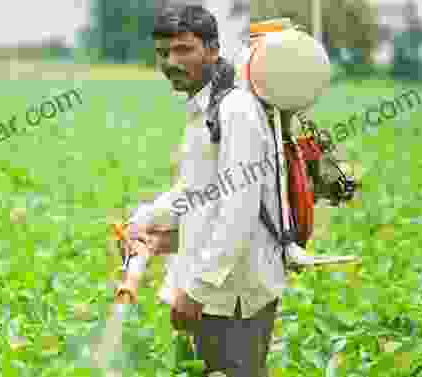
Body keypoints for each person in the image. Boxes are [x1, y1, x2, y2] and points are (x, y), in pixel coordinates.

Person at [123, 5, 287, 376]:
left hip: (235, 295)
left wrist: (197, 289)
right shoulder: (205, 108)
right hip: (215, 290)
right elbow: (197, 190)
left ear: (212, 49)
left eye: (183, 50)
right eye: (163, 53)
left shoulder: (235, 110)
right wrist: (146, 219)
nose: (170, 62)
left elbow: (239, 211)